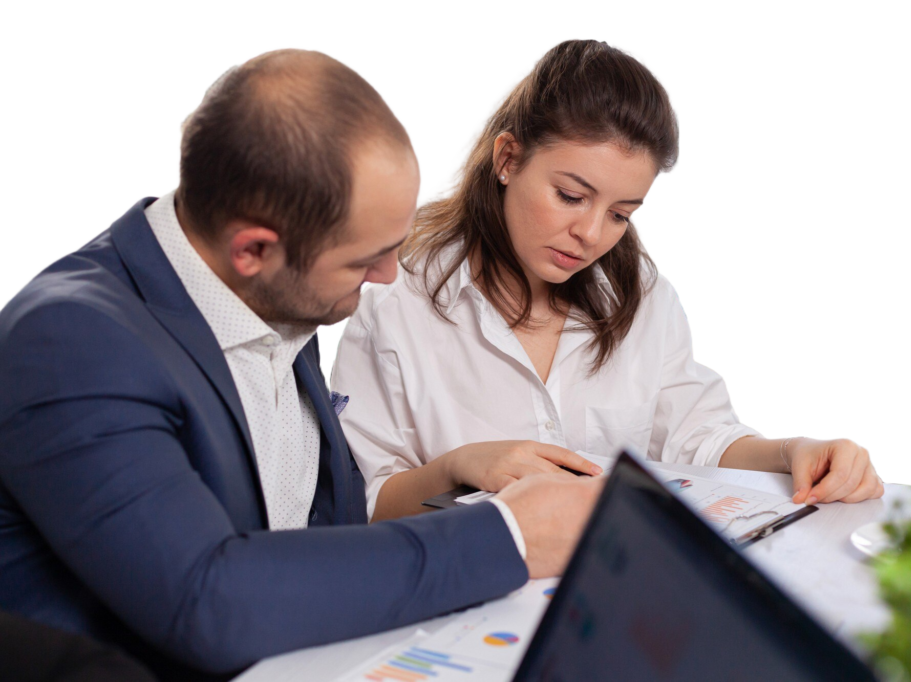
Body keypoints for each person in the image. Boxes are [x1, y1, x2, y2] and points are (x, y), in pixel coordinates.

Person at [0, 47, 601, 681]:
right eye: (363, 259)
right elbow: (209, 603)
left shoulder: (275, 291)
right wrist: (506, 539)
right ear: (254, 249)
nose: (386, 276)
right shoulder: (70, 341)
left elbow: (315, 529)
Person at [331, 38, 885, 524]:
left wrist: (794, 452)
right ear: (507, 158)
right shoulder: (392, 296)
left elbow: (696, 436)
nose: (591, 234)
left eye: (622, 213)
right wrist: (457, 468)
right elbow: (365, 501)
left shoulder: (639, 292)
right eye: (571, 196)